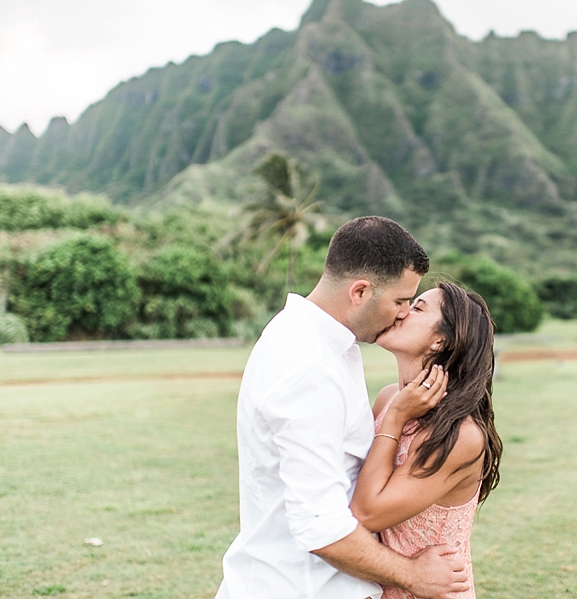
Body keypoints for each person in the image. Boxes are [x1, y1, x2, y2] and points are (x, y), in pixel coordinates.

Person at [215, 216, 469, 599]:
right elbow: (320, 524)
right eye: (400, 301)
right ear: (360, 292)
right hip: (298, 588)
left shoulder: (332, 344)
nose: (402, 313)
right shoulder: (307, 362)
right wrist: (413, 575)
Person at [351, 281, 503, 599]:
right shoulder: (389, 397)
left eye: (417, 307)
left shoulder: (461, 434)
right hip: (380, 585)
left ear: (440, 341)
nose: (402, 311)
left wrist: (395, 418)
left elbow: (366, 513)